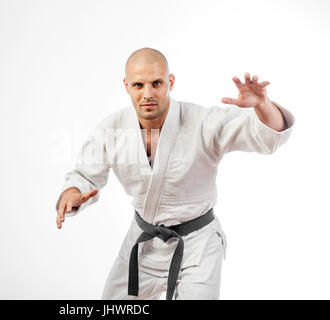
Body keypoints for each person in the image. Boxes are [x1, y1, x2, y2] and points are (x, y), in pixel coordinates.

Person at [55, 47, 295, 300]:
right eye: (138, 85)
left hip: (197, 247)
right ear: (126, 85)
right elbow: (84, 175)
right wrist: (72, 193)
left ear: (170, 81)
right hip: (143, 245)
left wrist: (262, 105)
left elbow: (267, 136)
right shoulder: (112, 129)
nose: (147, 94)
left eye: (156, 83)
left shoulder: (202, 123)